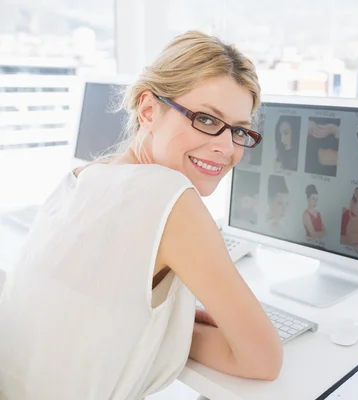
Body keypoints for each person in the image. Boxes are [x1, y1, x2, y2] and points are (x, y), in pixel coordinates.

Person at [0, 31, 283, 399]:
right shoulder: (171, 198)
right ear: (148, 110)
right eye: (207, 120)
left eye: (240, 131)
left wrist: (160, 319)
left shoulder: (79, 179)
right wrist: (175, 328)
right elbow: (263, 360)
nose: (226, 147)